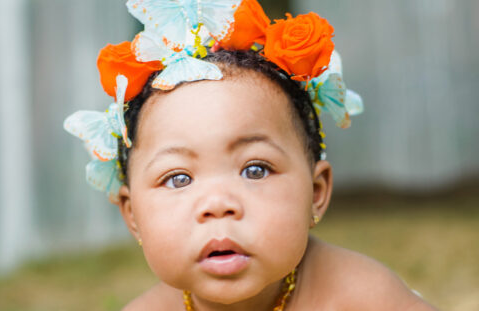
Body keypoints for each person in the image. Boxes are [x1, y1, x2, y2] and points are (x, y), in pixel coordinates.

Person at [64, 1, 437, 310]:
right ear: (133, 216)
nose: (218, 204)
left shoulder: (365, 297)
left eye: (255, 170)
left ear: (316, 192)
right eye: (178, 178)